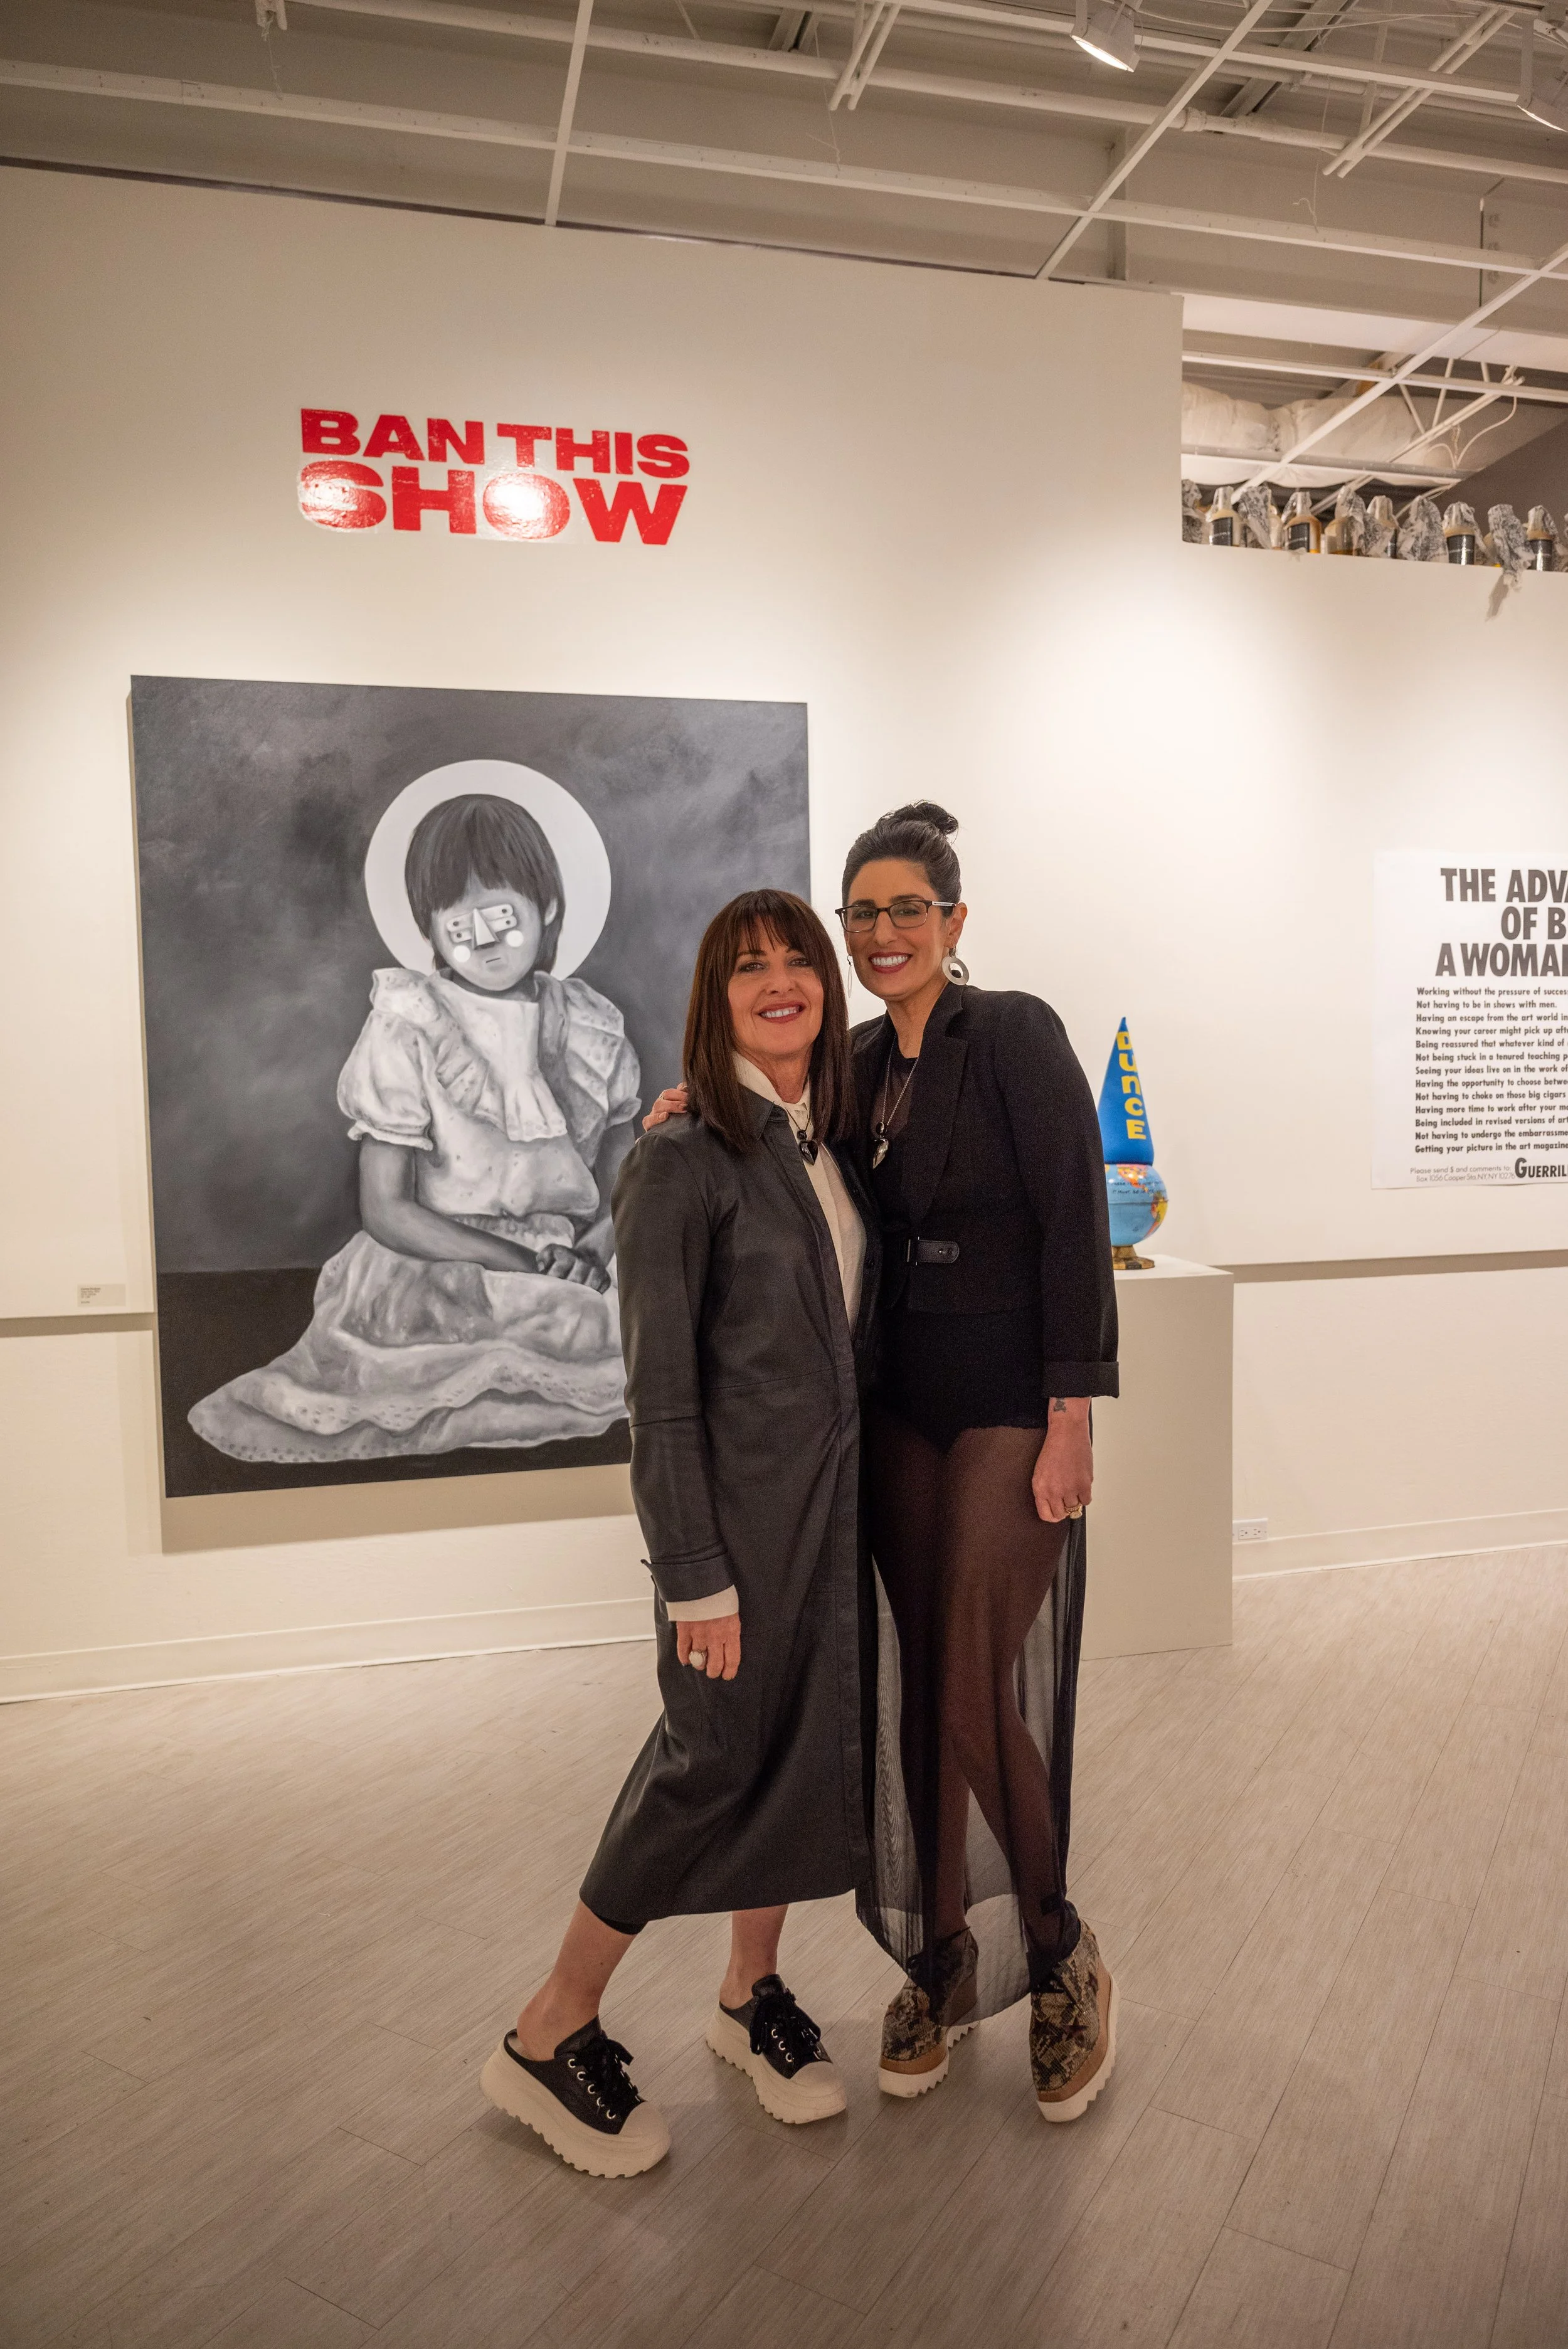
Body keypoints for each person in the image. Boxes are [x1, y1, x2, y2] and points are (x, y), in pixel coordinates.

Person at [481, 889, 879, 2178]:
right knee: (705, 1761)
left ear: (827, 987)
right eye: (746, 969)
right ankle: (549, 2029)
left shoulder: (828, 1141)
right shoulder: (678, 1159)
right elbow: (655, 1396)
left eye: (797, 965)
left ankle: (743, 1993)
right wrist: (693, 1578)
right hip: (734, 1539)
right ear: (712, 999)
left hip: (830, 1523)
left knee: (793, 1755)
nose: (779, 984)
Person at [840, 802, 1120, 2124]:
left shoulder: (1009, 1030)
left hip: (1010, 1399)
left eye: (905, 909)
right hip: (897, 1403)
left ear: (954, 923)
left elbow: (1077, 1211)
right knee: (917, 1691)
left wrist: (1073, 1408)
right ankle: (940, 1956)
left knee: (965, 1681)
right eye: (862, 913)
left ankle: (1059, 1951)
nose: (881, 931)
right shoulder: (845, 1064)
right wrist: (681, 1107)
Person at [188, 792, 637, 1463]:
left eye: (502, 917)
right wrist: (521, 1266)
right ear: (429, 928)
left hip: (577, 1261)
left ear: (546, 908)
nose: (483, 941)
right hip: (440, 1262)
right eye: (458, 925)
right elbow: (386, 1208)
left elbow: (629, 1184)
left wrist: (591, 1251)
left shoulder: (592, 1025)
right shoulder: (410, 1022)